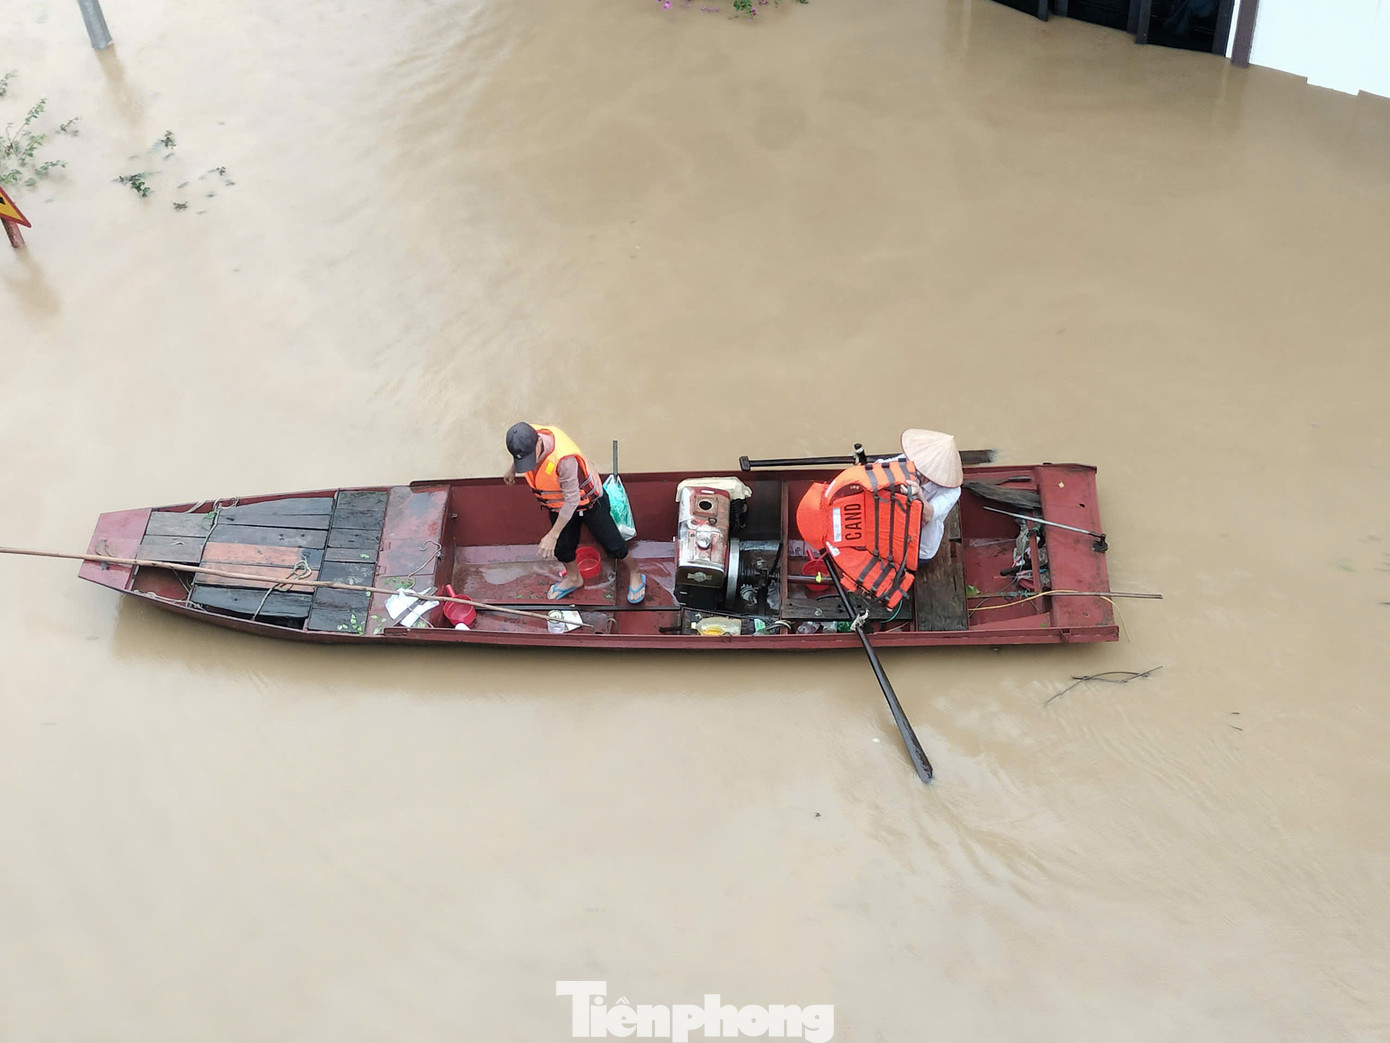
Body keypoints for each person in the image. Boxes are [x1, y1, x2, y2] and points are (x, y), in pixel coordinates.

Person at [503, 422, 646, 603]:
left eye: (530, 458)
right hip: (558, 504)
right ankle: (573, 578)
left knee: (613, 543)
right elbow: (521, 452)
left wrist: (552, 535)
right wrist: (513, 469)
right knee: (563, 548)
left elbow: (572, 500)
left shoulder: (564, 461)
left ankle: (635, 571)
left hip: (589, 503)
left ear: (538, 442)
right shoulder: (524, 436)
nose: (529, 463)